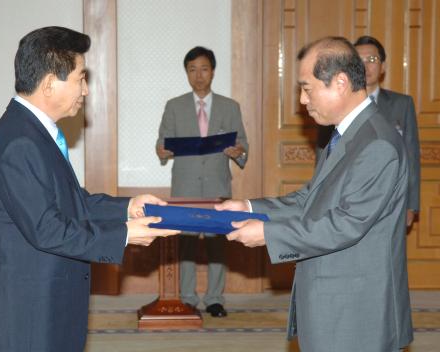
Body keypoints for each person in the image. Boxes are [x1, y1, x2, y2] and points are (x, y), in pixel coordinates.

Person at [0, 26, 178, 352]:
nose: (86, 90)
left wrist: (127, 207)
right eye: (81, 78)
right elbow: (48, 230)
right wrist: (123, 234)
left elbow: (73, 201)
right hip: (25, 320)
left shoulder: (33, 133)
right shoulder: (19, 143)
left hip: (44, 309)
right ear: (50, 83)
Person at [216, 37, 413, 351]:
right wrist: (249, 207)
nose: (302, 100)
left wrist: (269, 233)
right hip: (334, 300)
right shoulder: (347, 135)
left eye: (307, 88)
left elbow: (344, 224)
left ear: (340, 82)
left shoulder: (377, 143)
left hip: (355, 310)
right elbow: (311, 198)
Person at [156, 46, 248, 317]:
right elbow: (162, 142)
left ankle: (215, 299)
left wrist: (238, 151)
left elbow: (243, 143)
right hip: (185, 184)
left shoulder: (230, 107)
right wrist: (162, 151)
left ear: (213, 71)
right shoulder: (174, 106)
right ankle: (187, 297)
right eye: (192, 69)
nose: (198, 75)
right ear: (187, 72)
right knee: (185, 240)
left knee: (216, 240)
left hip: (217, 184)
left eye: (204, 69)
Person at [354, 35, 420, 227]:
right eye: (359, 60)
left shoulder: (402, 104)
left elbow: (411, 155)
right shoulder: (338, 105)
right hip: (350, 201)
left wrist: (411, 204)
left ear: (383, 66)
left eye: (372, 60)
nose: (366, 66)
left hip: (393, 199)